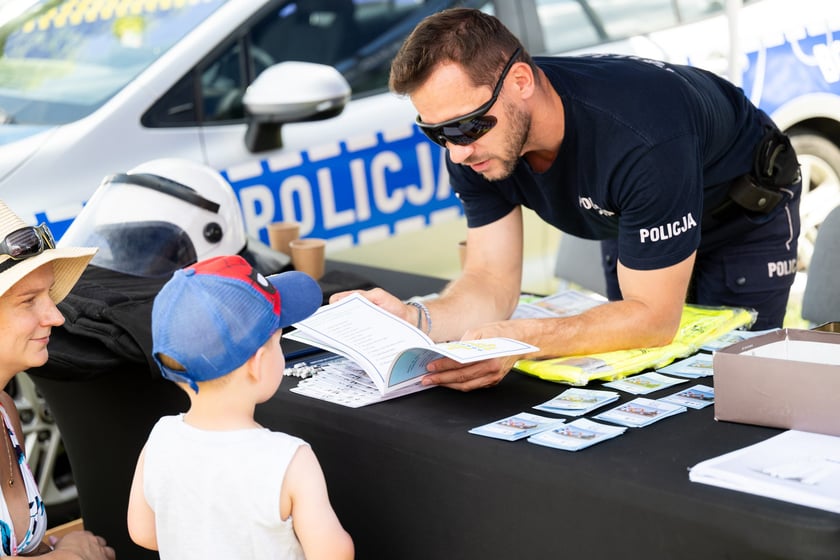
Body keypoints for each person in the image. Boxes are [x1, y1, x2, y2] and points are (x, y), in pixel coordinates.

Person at [331, 8, 802, 391]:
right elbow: (490, 280)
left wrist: (527, 339)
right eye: (435, 133)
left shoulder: (640, 138)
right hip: (633, 211)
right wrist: (416, 319)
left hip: (739, 214)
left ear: (520, 82)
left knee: (735, 387)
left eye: (467, 126)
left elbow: (653, 318)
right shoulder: (474, 148)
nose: (456, 150)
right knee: (647, 378)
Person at [126, 255, 354, 560]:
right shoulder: (290, 459)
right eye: (278, 340)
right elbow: (333, 555)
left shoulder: (160, 438)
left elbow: (143, 532)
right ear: (257, 364)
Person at [0, 200, 115, 558]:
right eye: (29, 300)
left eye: (48, 294)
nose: (56, 316)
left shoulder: (5, 411)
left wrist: (55, 548)